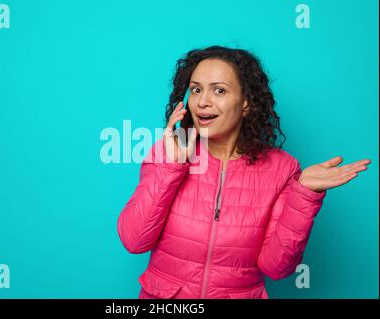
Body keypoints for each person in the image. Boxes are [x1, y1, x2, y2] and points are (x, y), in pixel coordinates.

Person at [117, 45, 371, 299]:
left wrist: (303, 194)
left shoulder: (282, 168)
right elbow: (134, 240)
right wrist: (172, 166)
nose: (203, 101)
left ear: (246, 103)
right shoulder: (170, 150)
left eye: (219, 90)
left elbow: (277, 267)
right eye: (196, 89)